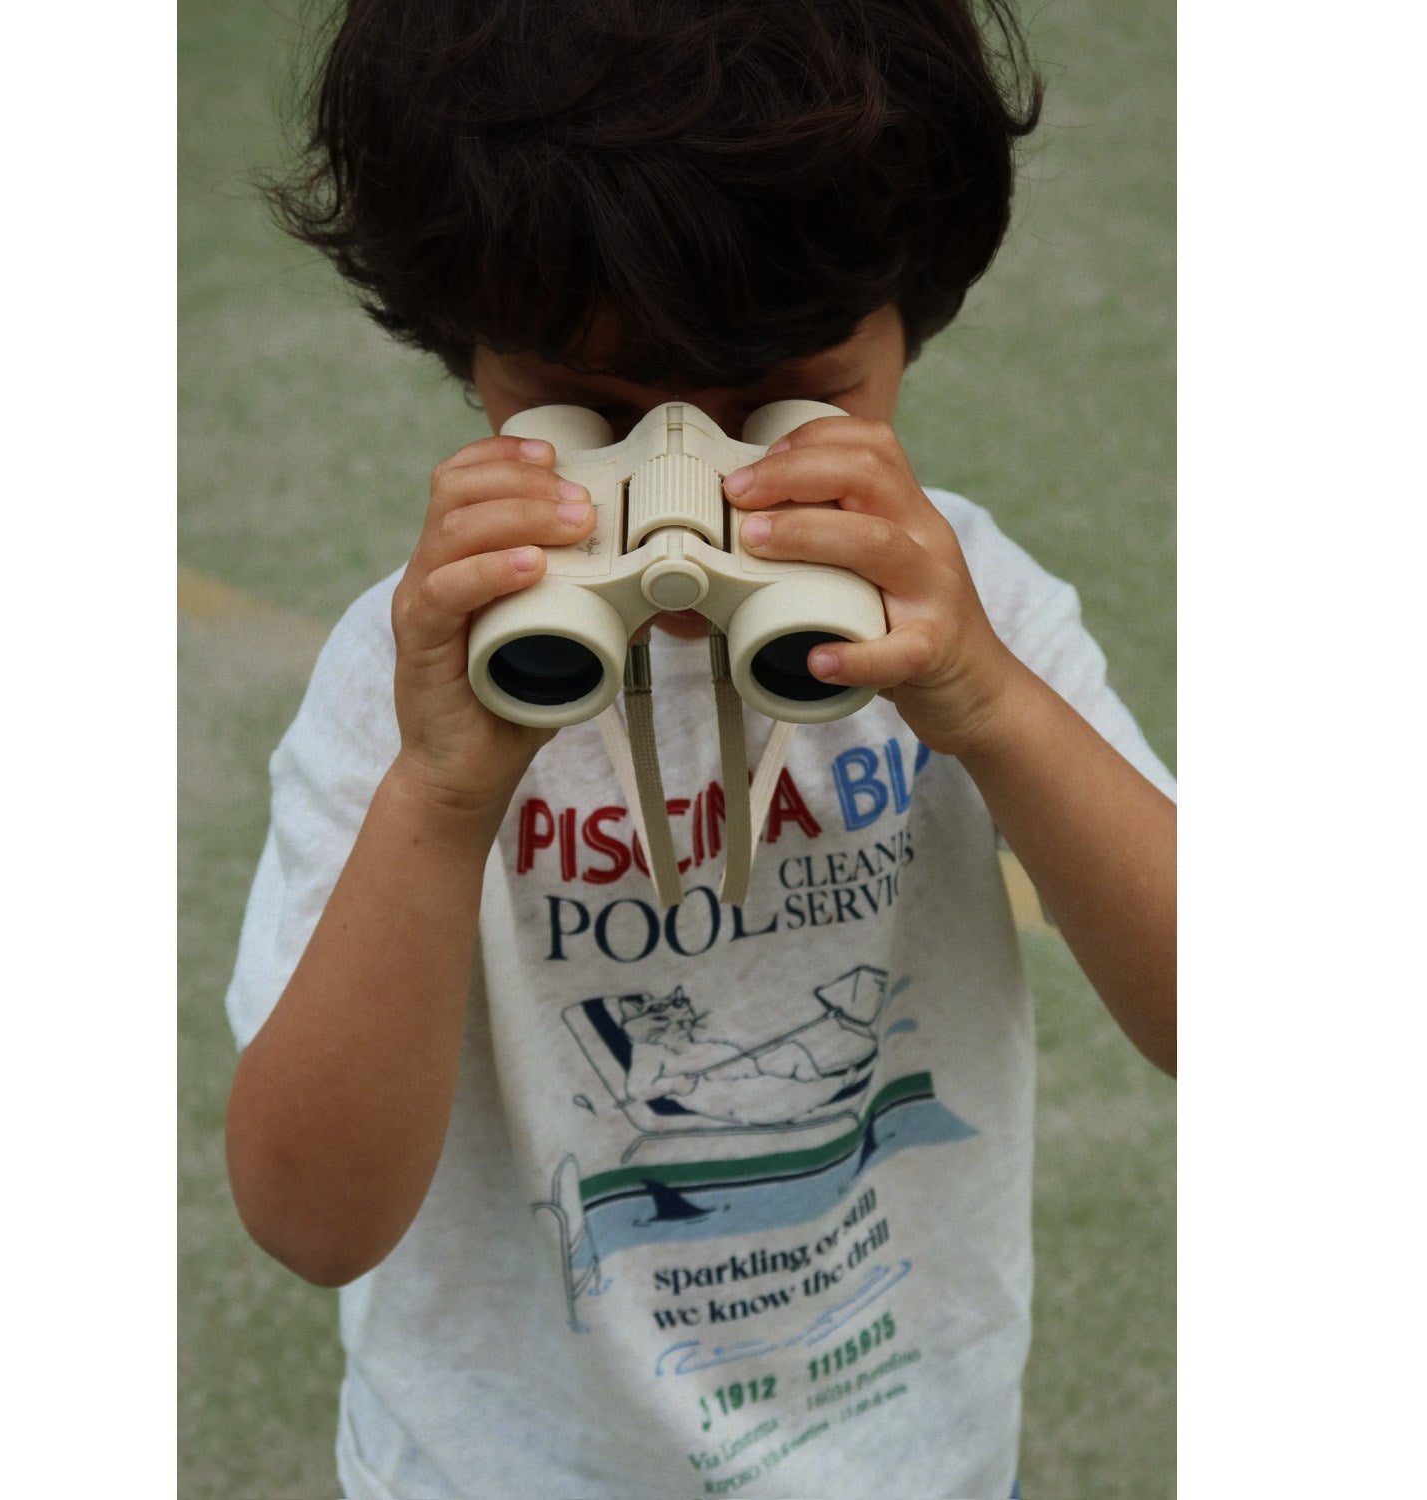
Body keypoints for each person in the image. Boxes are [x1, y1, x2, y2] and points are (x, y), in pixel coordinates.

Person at [223, 2, 1176, 1496]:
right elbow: (311, 1218)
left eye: (783, 406)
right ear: (462, 343)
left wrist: (990, 702)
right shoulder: (413, 677)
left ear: (911, 319)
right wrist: (439, 793)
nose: (685, 478)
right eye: (587, 415)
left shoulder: (962, 608)